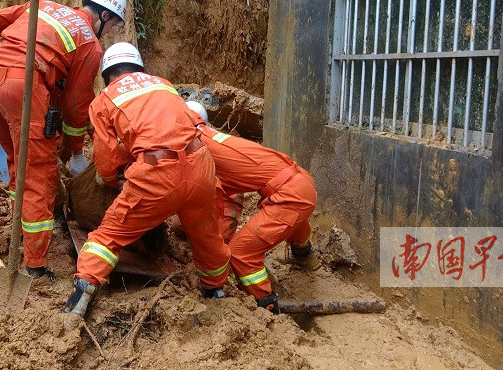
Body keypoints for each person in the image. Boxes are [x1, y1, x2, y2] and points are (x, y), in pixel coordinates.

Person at [0, 0, 127, 279]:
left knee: (18, 161)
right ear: (104, 14)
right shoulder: (89, 43)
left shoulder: (43, 7)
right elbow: (78, 106)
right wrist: (76, 150)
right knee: (39, 174)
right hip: (25, 86)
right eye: (114, 24)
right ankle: (35, 264)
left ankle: (20, 232)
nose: (112, 31)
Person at [62, 43, 231, 317]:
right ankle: (216, 292)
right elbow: (177, 126)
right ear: (139, 68)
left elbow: (104, 159)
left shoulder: (104, 99)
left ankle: (77, 304)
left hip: (158, 174)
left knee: (108, 236)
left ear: (106, 75)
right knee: (206, 236)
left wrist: (108, 180)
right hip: (200, 164)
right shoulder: (163, 85)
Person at [184, 101, 320, 314]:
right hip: (300, 182)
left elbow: (219, 205)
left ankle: (267, 307)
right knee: (293, 217)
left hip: (290, 194)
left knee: (241, 253)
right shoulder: (217, 140)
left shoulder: (197, 148)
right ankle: (304, 254)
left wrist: (222, 249)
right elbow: (230, 197)